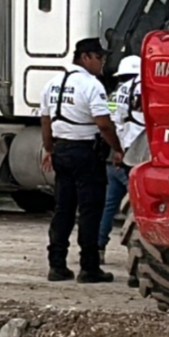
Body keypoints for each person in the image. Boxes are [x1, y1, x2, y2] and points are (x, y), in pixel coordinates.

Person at [40, 38, 123, 283]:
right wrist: (117, 148)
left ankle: (57, 265)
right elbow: (104, 124)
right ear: (86, 57)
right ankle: (89, 267)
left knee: (63, 209)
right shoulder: (91, 85)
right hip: (86, 152)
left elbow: (45, 121)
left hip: (62, 150)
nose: (102, 64)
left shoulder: (53, 84)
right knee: (90, 210)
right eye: (100, 58)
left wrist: (49, 149)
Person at [99, 55, 145, 288]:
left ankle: (98, 248)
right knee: (138, 212)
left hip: (120, 155)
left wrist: (117, 150)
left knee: (109, 206)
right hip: (142, 157)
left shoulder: (117, 93)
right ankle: (136, 266)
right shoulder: (146, 87)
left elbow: (111, 122)